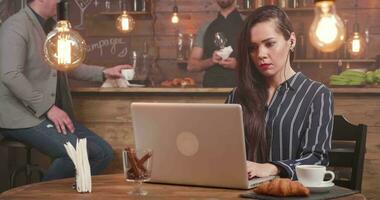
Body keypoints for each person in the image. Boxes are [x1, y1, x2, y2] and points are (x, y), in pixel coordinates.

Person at [0, 0, 131, 181]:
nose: (61, 2)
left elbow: (67, 65)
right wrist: (49, 108)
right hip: (19, 117)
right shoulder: (16, 26)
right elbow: (10, 75)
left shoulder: (53, 28)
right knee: (73, 153)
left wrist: (103, 72)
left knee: (103, 153)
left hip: (44, 114)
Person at [225, 5, 334, 180]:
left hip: (290, 193)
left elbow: (316, 159)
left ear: (291, 41)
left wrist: (272, 168)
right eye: (252, 48)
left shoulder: (317, 94)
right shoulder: (237, 96)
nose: (260, 54)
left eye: (269, 44)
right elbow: (223, 151)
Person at [187, 0, 244, 87]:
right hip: (211, 93)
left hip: (242, 93)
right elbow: (191, 66)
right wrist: (211, 61)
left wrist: (238, 65)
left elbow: (260, 61)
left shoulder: (249, 24)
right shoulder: (205, 28)